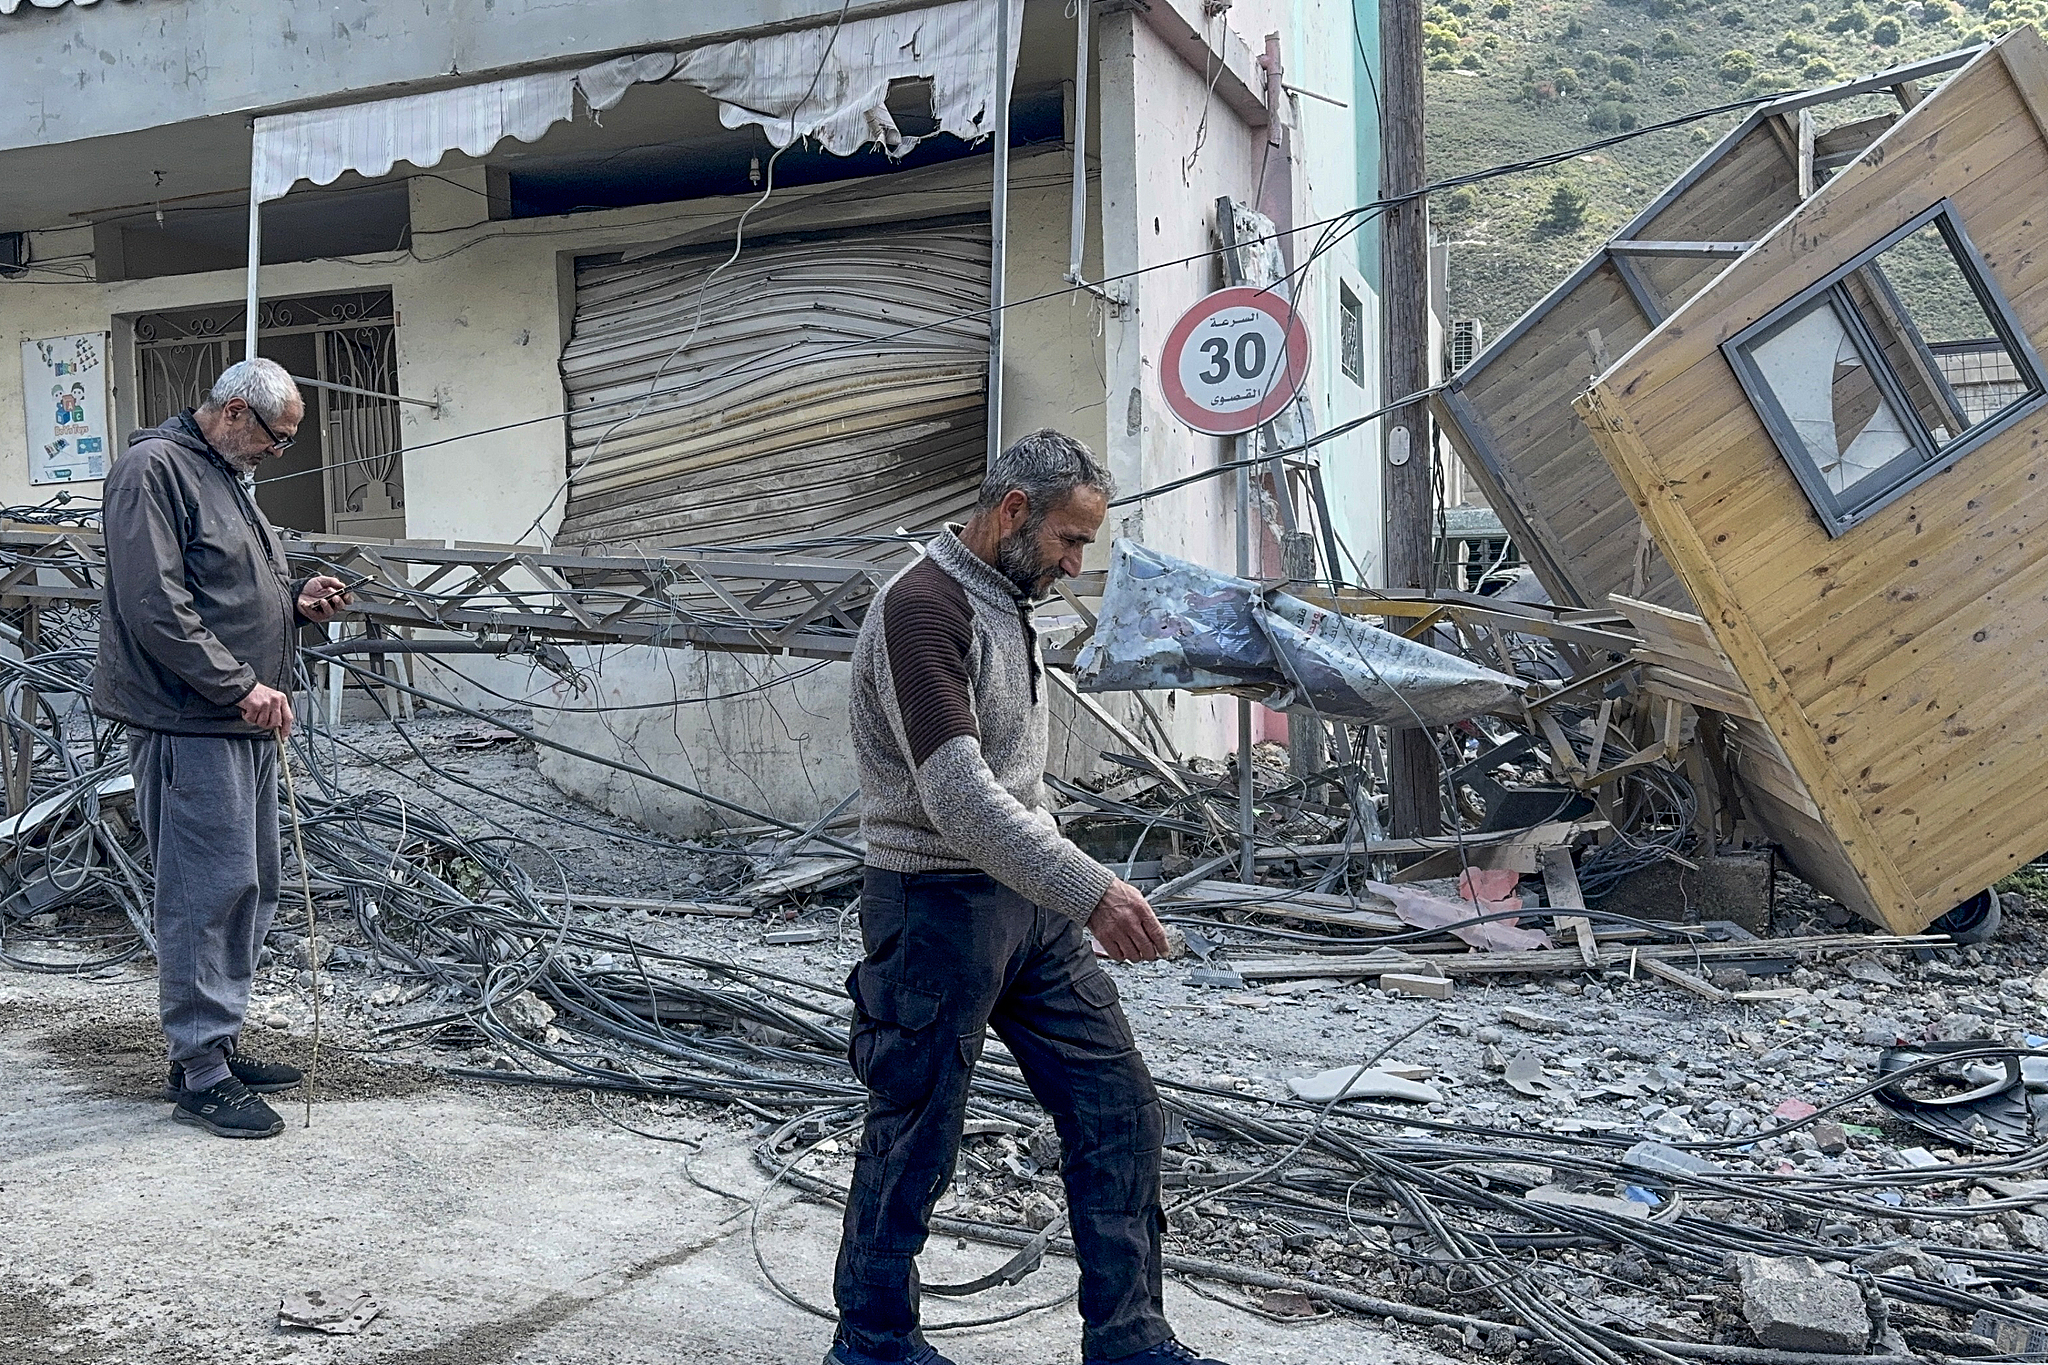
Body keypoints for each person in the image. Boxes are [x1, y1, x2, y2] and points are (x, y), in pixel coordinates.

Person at [831, 431, 1229, 1365]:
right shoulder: (922, 606)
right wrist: (1092, 889)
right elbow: (959, 797)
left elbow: (1010, 791)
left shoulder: (1008, 600)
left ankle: (1129, 1341)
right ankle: (873, 1344)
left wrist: (1064, 890)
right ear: (1013, 511)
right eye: (1069, 538)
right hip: (933, 906)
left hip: (1029, 908)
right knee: (914, 1131)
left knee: (1119, 1108)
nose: (1076, 562)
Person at [94, 358, 356, 1140]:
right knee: (204, 893)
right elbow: (156, 606)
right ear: (237, 411)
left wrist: (296, 604)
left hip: (237, 718)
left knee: (249, 885)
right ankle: (200, 1071)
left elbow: (225, 590)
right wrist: (241, 684)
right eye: (277, 436)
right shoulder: (153, 471)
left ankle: (213, 1046)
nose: (279, 451)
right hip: (192, 720)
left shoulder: (222, 475)